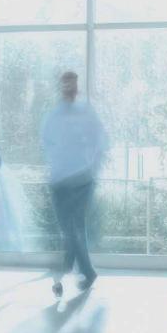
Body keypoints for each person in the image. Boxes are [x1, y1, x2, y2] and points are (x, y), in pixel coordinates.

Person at [41, 70, 106, 297]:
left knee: (73, 228)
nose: (69, 88)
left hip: (82, 179)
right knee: (70, 230)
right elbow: (46, 143)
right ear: (61, 86)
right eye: (65, 84)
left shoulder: (86, 112)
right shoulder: (54, 115)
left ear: (77, 86)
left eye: (72, 84)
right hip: (59, 181)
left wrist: (93, 166)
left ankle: (66, 273)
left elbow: (100, 140)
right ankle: (79, 271)